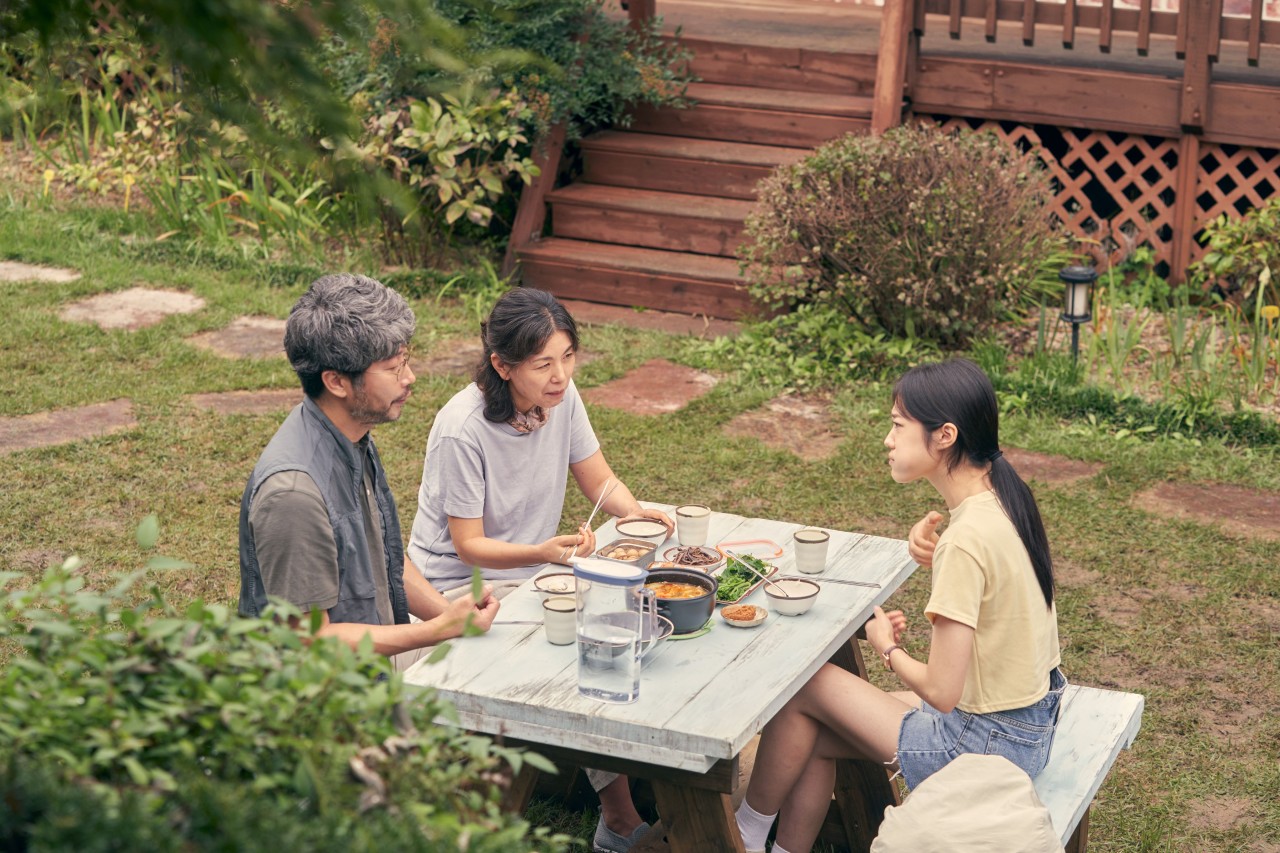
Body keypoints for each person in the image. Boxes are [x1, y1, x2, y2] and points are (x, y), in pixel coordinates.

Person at [734, 358, 1065, 853]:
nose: (888, 440)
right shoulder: (1004, 500)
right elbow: (998, 596)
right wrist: (940, 559)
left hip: (982, 747)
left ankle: (742, 833)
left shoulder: (965, 540)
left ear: (945, 435)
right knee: (815, 730)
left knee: (803, 685)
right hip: (1029, 724)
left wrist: (886, 648)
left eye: (897, 425)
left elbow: (942, 692)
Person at [407, 287, 671, 853]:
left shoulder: (562, 397)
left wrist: (635, 512)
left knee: (610, 627)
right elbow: (469, 544)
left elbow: (597, 476)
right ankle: (614, 819)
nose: (560, 375)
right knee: (582, 641)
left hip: (534, 571)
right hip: (457, 585)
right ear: (502, 365)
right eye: (543, 363)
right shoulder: (462, 427)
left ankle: (620, 814)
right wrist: (544, 553)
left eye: (568, 356)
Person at [238, 273, 499, 670]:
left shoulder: (349, 434)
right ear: (337, 382)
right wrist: (438, 629)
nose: (409, 379)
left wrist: (450, 614)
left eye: (406, 361)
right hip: (318, 714)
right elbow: (309, 641)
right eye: (393, 368)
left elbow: (385, 557)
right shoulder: (292, 496)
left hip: (368, 679)